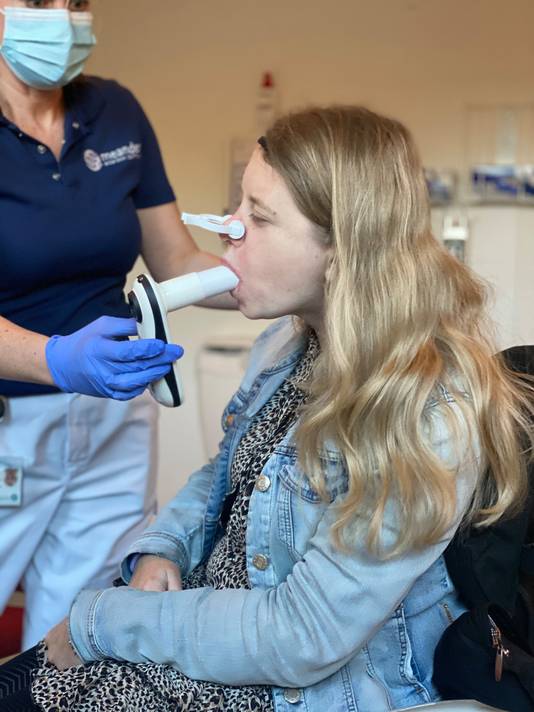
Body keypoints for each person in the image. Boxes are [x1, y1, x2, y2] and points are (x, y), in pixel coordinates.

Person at [2, 105, 533, 712]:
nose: (228, 230)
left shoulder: (425, 412)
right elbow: (228, 472)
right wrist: (163, 546)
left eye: (257, 217)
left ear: (341, 251)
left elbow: (301, 636)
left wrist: (103, 621)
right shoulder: (288, 342)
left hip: (279, 686)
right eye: (237, 207)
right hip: (203, 636)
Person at [0, 0, 230, 650]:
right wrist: (56, 359)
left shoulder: (116, 111)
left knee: (78, 631)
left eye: (76, 3)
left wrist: (268, 275)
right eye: (39, 2)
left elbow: (176, 260)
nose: (62, 18)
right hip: (10, 419)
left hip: (113, 418)